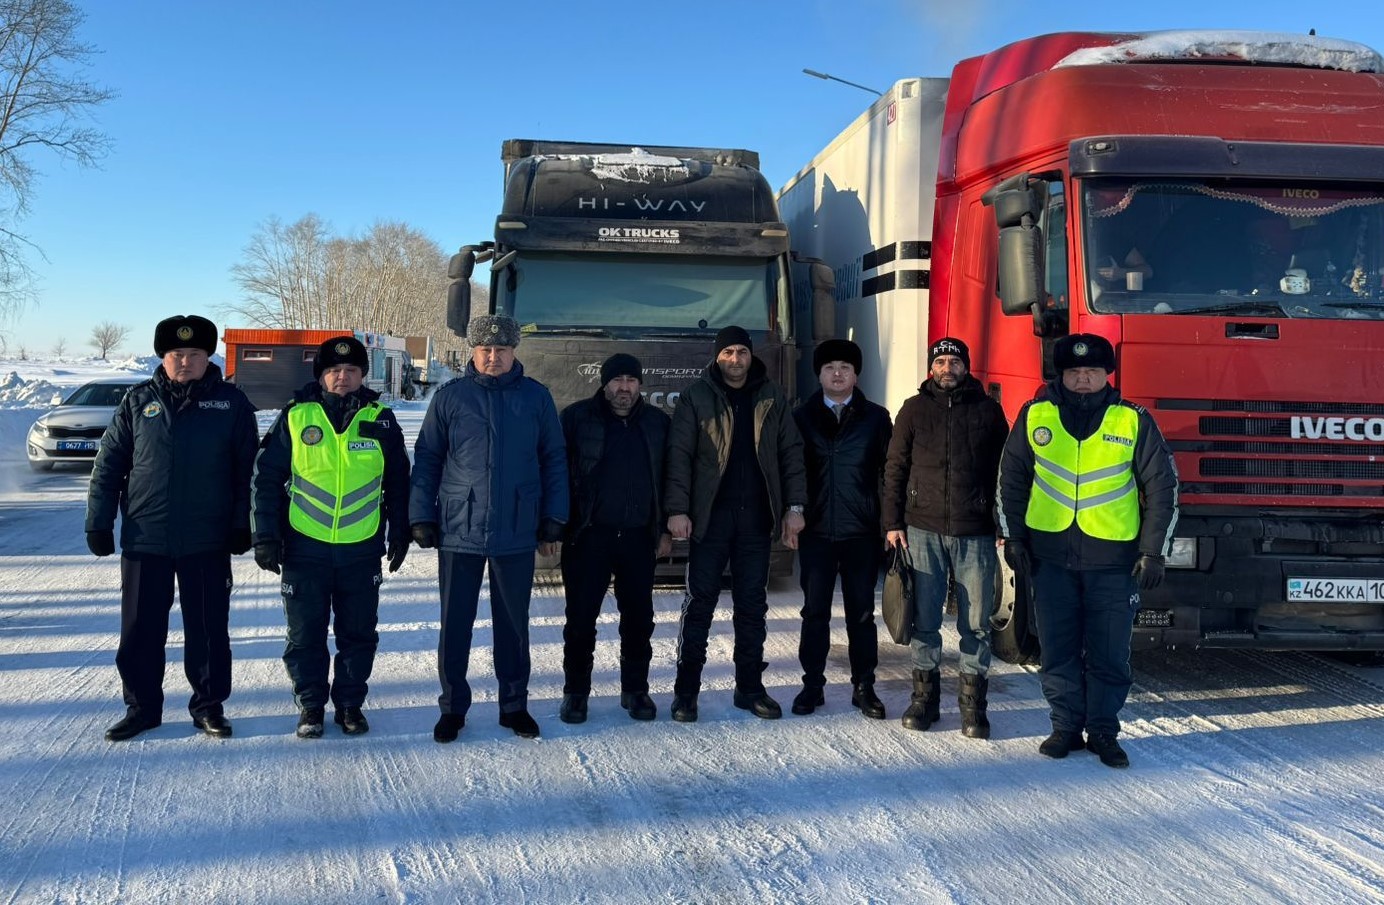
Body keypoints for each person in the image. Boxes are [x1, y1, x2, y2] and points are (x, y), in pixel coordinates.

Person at [997, 333, 1178, 768]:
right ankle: (1064, 728)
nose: (1083, 380)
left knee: (1109, 653)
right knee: (1057, 649)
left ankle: (1103, 731)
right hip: (1050, 558)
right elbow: (1011, 480)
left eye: (1092, 372)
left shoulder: (1133, 420)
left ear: (1106, 375)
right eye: (1075, 372)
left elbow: (1163, 486)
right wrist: (1014, 537)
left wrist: (1154, 551)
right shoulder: (1035, 414)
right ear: (1062, 374)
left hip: (1114, 564)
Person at [85, 315, 258, 741]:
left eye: (195, 354)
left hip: (207, 538)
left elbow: (247, 474)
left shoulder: (231, 404)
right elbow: (108, 467)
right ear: (164, 357)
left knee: (208, 630)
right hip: (147, 538)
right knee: (141, 630)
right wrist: (99, 521)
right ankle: (142, 708)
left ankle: (208, 707)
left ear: (208, 357)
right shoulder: (136, 401)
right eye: (177, 354)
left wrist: (243, 525)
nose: (185, 362)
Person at [410, 315, 568, 742]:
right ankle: (452, 709)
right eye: (485, 350)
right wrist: (421, 516)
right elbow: (427, 458)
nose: (492, 357)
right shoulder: (450, 399)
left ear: (514, 351)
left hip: (516, 527)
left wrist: (554, 516)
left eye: (500, 350)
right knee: (455, 623)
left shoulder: (536, 399)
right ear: (474, 353)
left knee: (513, 626)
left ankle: (514, 706)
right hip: (460, 527)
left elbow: (554, 458)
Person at [250, 336, 412, 739]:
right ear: (322, 375)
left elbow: (399, 483)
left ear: (362, 375)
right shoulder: (295, 416)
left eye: (352, 370)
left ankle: (350, 705)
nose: (343, 377)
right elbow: (266, 480)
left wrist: (401, 531)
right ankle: (310, 706)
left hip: (361, 548)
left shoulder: (381, 419)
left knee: (358, 634)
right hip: (305, 547)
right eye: (334, 370)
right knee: (305, 634)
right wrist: (265, 535)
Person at [664, 326, 807, 722]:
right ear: (716, 356)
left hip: (756, 519)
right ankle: (686, 692)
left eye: (741, 351)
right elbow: (679, 456)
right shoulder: (696, 397)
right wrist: (677, 510)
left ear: (750, 355)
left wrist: (794, 507)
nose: (735, 359)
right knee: (699, 605)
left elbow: (791, 454)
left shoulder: (771, 396)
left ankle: (749, 688)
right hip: (710, 519)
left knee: (752, 607)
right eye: (727, 351)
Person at [883, 337, 1010, 737]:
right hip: (921, 529)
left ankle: (973, 707)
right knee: (925, 619)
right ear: (930, 368)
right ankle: (924, 700)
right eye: (941, 361)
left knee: (976, 623)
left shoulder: (989, 411)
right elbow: (894, 469)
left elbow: (1005, 473)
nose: (948, 367)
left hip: (975, 531)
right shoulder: (914, 410)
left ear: (966, 367)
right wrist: (893, 522)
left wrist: (1002, 524)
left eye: (955, 361)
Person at [557, 353, 672, 724]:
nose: (624, 388)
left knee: (638, 620)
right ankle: (575, 693)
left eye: (631, 380)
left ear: (640, 385)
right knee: (580, 620)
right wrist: (554, 526)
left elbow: (669, 480)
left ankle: (635, 691)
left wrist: (665, 528)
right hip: (589, 537)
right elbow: (557, 474)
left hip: (639, 538)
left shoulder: (657, 424)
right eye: (617, 380)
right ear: (604, 383)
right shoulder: (576, 419)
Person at [790, 339, 893, 719]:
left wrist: (888, 522)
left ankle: (864, 686)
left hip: (860, 532)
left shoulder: (876, 418)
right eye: (830, 367)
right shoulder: (801, 417)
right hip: (816, 531)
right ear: (819, 374)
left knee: (861, 614)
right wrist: (793, 512)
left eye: (845, 367)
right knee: (814, 611)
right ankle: (812, 685)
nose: (837, 373)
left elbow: (888, 473)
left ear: (856, 374)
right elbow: (793, 471)